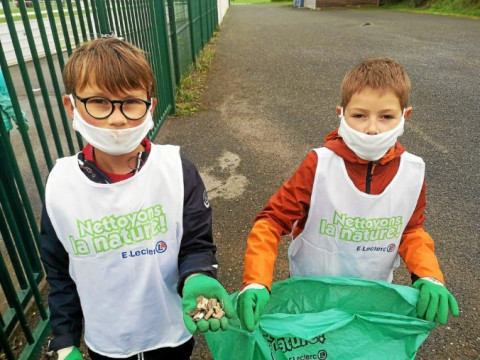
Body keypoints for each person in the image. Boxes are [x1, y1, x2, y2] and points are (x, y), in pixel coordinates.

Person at [40, 38, 233, 360]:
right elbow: (59, 271)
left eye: (130, 102)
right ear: (71, 106)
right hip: (107, 342)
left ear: (150, 106)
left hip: (171, 333)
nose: (117, 118)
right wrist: (64, 338)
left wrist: (199, 276)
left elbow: (196, 244)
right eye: (99, 102)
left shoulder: (176, 171)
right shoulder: (61, 185)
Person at [237, 57, 459, 332]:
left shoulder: (412, 171)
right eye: (359, 115)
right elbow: (271, 221)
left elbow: (411, 230)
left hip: (372, 297)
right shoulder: (319, 165)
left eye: (386, 116)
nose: (372, 128)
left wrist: (428, 274)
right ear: (341, 113)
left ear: (405, 116)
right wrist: (257, 280)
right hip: (313, 296)